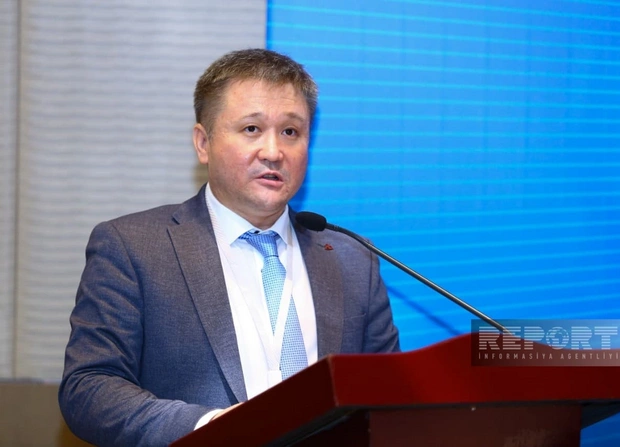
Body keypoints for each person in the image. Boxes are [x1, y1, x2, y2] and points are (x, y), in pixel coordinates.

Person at [58, 48, 400, 447]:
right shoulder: (133, 248)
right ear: (203, 143)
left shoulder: (353, 258)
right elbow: (89, 388)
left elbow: (387, 396)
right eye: (252, 129)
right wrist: (212, 427)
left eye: (291, 132)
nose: (273, 152)